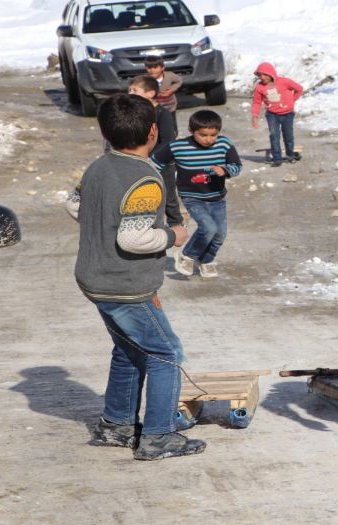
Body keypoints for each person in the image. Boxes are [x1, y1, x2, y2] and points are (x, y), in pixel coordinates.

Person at [65, 93, 206, 460]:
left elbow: (74, 204)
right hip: (124, 285)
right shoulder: (145, 179)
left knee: (129, 350)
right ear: (154, 131)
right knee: (165, 353)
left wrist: (102, 220)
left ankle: (118, 425)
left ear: (104, 131)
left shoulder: (98, 166)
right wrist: (173, 237)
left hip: (94, 279)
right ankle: (159, 436)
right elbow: (133, 238)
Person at [152, 110, 242, 278]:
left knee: (220, 233)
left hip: (217, 197)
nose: (209, 139)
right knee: (208, 228)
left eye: (213, 135)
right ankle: (187, 255)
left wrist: (225, 170)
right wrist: (152, 180)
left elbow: (237, 165)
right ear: (191, 130)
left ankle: (206, 261)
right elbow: (155, 163)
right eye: (204, 135)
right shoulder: (178, 146)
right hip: (192, 197)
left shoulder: (224, 144)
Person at [128, 74, 182, 227]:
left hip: (163, 164)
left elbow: (168, 141)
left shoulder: (162, 114)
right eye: (130, 90)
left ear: (150, 93)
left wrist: (151, 157)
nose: (130, 94)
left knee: (168, 197)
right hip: (140, 161)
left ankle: (176, 224)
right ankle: (148, 224)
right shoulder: (135, 114)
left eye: (135, 90)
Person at [251, 62, 303, 167]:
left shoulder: (284, 82)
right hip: (272, 115)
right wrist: (255, 116)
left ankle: (290, 155)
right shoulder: (259, 87)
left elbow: (299, 89)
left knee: (288, 136)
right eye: (260, 75)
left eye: (265, 74)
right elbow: (257, 102)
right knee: (274, 136)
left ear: (271, 74)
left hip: (287, 114)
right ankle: (277, 158)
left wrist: (292, 101)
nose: (262, 77)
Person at [144, 55, 182, 132]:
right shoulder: (146, 79)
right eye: (149, 68)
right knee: (156, 123)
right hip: (154, 107)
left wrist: (172, 89)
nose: (152, 70)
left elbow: (179, 80)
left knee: (171, 124)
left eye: (155, 67)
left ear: (162, 68)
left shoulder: (169, 75)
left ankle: (173, 135)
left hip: (170, 106)